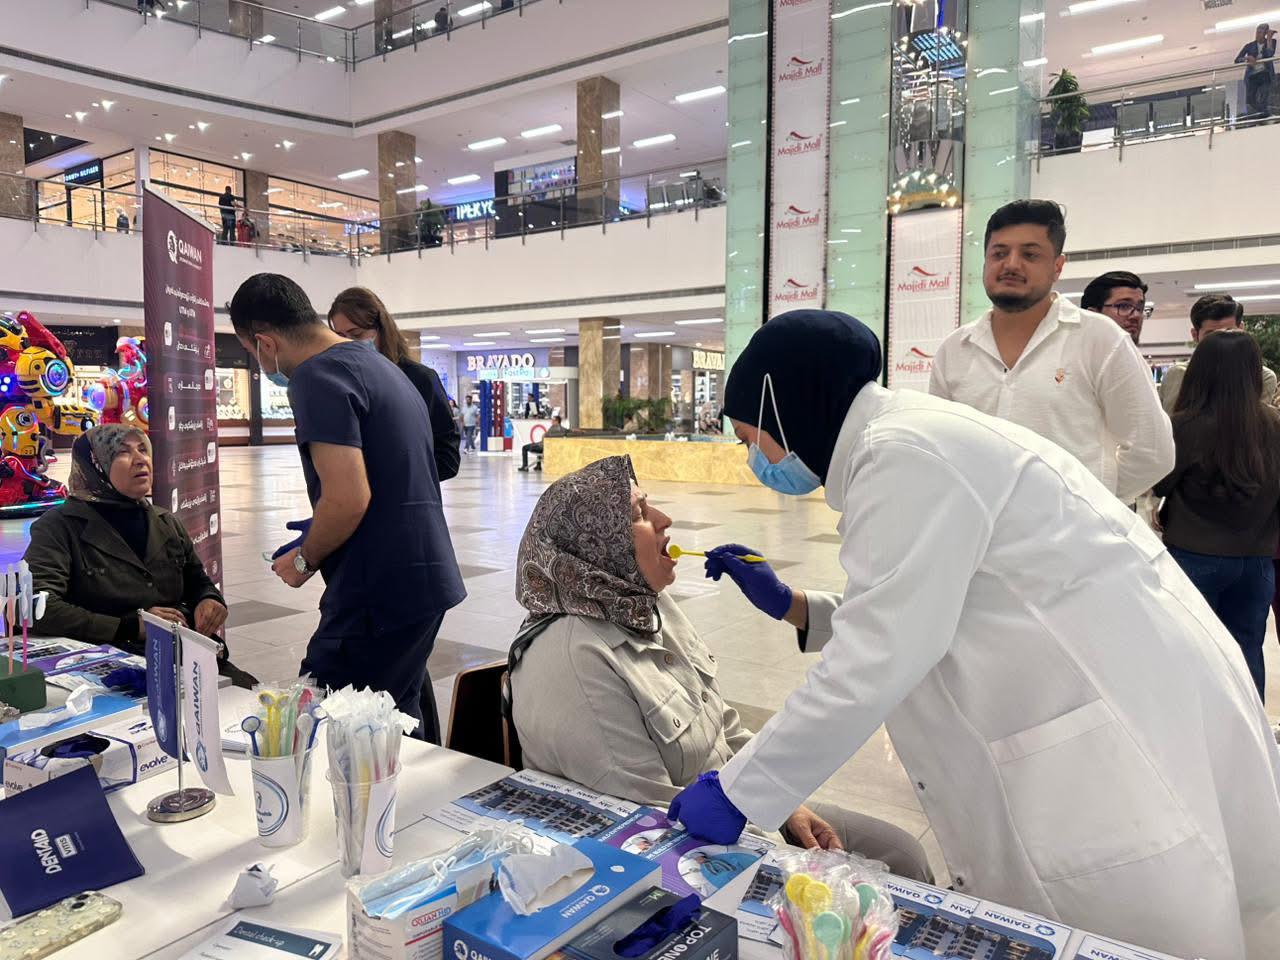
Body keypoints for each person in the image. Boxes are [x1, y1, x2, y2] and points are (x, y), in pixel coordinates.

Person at [666, 309, 1280, 959]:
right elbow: (934, 598)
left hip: (1102, 734)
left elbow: (876, 657)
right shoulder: (908, 436)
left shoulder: (901, 455)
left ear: (785, 407)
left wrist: (743, 791)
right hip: (1115, 683)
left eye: (749, 438)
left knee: (1128, 929)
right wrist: (800, 607)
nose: (753, 458)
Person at [506, 455, 932, 879]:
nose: (663, 518)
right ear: (597, 542)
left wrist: (780, 802)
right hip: (693, 855)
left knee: (903, 854)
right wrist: (776, 841)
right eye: (638, 513)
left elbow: (722, 725)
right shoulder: (574, 658)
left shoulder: (647, 608)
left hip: (741, 808)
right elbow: (648, 827)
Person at [230, 273, 464, 742]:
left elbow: (349, 497)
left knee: (336, 723)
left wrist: (303, 558)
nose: (262, 365)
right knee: (396, 723)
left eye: (253, 353)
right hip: (422, 581)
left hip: (377, 592)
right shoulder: (380, 366)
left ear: (264, 342)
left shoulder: (317, 377)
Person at [929, 200, 1173, 505]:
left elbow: (1152, 452)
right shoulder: (955, 350)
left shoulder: (1099, 339)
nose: (1012, 264)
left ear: (1057, 266)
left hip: (1070, 544)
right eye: (999, 253)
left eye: (1030, 254)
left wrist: (1083, 507)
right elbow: (941, 447)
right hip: (980, 539)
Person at [23, 424, 254, 687]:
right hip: (108, 668)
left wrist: (208, 599)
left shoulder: (165, 522)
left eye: (143, 449)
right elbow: (38, 607)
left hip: (181, 656)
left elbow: (196, 580)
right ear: (95, 464)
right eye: (122, 452)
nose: (140, 459)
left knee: (253, 698)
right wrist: (131, 626)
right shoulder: (60, 527)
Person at [1153, 330, 1280, 702]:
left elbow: (1159, 484)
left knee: (1193, 655)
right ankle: (1249, 743)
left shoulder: (1184, 426)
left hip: (1194, 557)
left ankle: (1200, 743)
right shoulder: (1275, 425)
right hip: (1258, 562)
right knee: (1247, 651)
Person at [327, 287, 460, 482]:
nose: (347, 343)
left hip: (406, 501)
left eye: (356, 334)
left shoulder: (420, 379)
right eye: (339, 336)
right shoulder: (336, 382)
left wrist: (391, 477)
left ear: (381, 329)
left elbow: (447, 458)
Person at [1158, 294, 1277, 414]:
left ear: (1241, 330)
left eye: (1229, 332)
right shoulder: (1178, 375)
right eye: (1211, 335)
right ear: (1195, 335)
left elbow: (1256, 426)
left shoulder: (1262, 377)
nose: (1221, 343)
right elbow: (1172, 426)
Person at [1080, 270, 1147, 346]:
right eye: (1124, 306)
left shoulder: (1133, 357)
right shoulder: (1073, 356)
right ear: (1093, 315)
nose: (1136, 315)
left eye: (1139, 308)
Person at [1236, 24, 1277, 121]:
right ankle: (1265, 114)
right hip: (1252, 75)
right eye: (1257, 32)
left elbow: (1269, 54)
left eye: (1260, 32)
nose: (1257, 35)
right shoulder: (1249, 46)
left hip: (1265, 73)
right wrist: (1247, 58)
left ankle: (1264, 116)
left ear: (1265, 33)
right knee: (1250, 100)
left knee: (1264, 97)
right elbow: (1237, 60)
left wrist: (1269, 39)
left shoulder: (1272, 42)